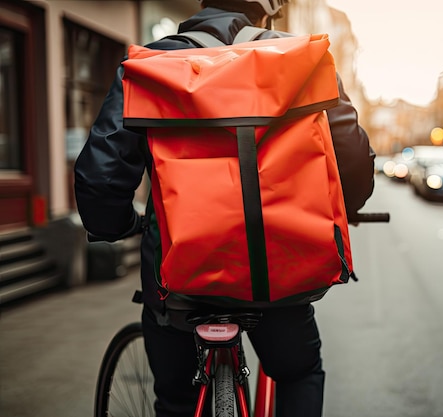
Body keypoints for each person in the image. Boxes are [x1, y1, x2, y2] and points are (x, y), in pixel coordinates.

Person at [74, 1, 375, 416]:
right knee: (298, 374)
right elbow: (354, 158)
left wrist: (118, 225)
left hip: (177, 282)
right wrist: (349, 205)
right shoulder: (304, 62)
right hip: (280, 278)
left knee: (176, 400)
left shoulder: (150, 66)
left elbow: (100, 176)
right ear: (270, 11)